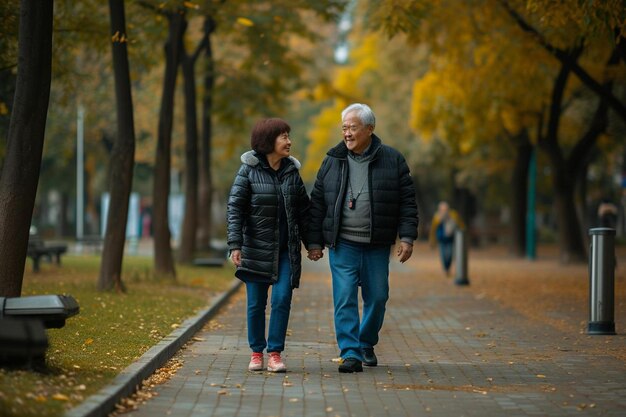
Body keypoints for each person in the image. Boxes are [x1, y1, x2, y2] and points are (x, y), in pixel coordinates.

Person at [307, 103, 418, 373]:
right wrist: (313, 242)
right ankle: (350, 353)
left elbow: (407, 202)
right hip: (342, 244)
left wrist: (407, 237)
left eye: (352, 128)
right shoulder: (332, 160)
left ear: (369, 129)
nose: (347, 133)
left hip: (376, 245)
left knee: (378, 297)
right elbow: (318, 202)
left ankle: (365, 342)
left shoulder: (393, 160)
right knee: (344, 297)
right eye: (344, 128)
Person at [227, 118, 310, 373]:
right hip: (255, 248)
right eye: (283, 136)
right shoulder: (248, 171)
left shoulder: (292, 173)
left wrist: (313, 244)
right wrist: (235, 244)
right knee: (256, 304)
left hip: (285, 251)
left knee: (283, 298)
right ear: (268, 141)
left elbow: (304, 211)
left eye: (288, 135)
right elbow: (235, 208)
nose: (289, 141)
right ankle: (256, 352)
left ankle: (274, 352)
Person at [428, 201, 464, 276]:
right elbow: (433, 229)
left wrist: (463, 232)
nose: (444, 211)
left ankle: (448, 267)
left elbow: (460, 223)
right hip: (441, 239)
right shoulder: (437, 216)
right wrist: (432, 240)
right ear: (439, 209)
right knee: (443, 255)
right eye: (442, 209)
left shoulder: (453, 214)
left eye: (445, 209)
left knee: (450, 254)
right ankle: (446, 269)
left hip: (450, 238)